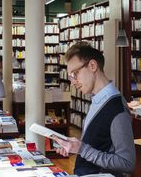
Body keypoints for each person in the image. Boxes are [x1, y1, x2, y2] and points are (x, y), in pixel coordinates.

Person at [52, 42, 135, 176]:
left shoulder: (116, 107)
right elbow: (97, 147)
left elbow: (127, 163)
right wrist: (75, 147)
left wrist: (82, 149)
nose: (72, 82)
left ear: (92, 65)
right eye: (70, 77)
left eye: (74, 74)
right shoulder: (97, 100)